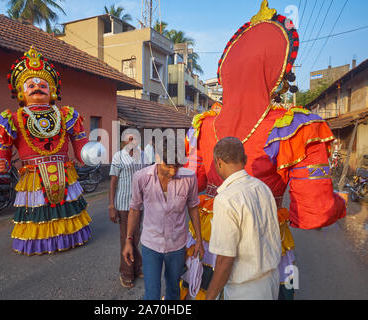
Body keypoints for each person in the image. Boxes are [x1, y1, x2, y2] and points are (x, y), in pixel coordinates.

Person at [181, 0, 346, 300]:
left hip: (211, 239)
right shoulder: (292, 127)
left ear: (226, 72)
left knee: (207, 288)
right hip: (263, 246)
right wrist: (341, 203)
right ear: (279, 71)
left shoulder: (203, 125)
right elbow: (314, 212)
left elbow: (191, 188)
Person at [0, 46, 92, 256]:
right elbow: (1, 147)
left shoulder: (66, 115)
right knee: (38, 209)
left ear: (52, 90)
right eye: (31, 85)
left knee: (66, 207)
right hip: (33, 174)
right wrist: (0, 162)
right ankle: (40, 244)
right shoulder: (12, 118)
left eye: (43, 84)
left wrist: (87, 154)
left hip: (65, 170)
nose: (37, 88)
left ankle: (68, 237)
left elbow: (80, 140)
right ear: (21, 92)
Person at [122, 138, 204, 300]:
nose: (173, 172)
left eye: (177, 166)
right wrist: (129, 240)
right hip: (151, 245)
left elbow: (193, 207)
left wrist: (199, 240)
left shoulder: (189, 178)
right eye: (169, 166)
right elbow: (135, 210)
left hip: (177, 245)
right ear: (158, 158)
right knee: (152, 293)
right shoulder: (141, 178)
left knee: (174, 290)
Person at [206, 137, 281, 300]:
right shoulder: (263, 188)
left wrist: (210, 296)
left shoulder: (226, 199)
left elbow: (225, 258)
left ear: (218, 162)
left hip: (246, 290)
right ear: (245, 160)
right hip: (271, 281)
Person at [109, 133, 145, 288]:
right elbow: (113, 181)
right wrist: (111, 206)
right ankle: (126, 273)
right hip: (123, 204)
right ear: (124, 140)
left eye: (135, 138)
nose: (132, 141)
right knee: (126, 238)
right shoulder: (118, 156)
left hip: (139, 204)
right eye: (129, 138)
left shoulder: (143, 155)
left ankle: (136, 268)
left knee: (136, 237)